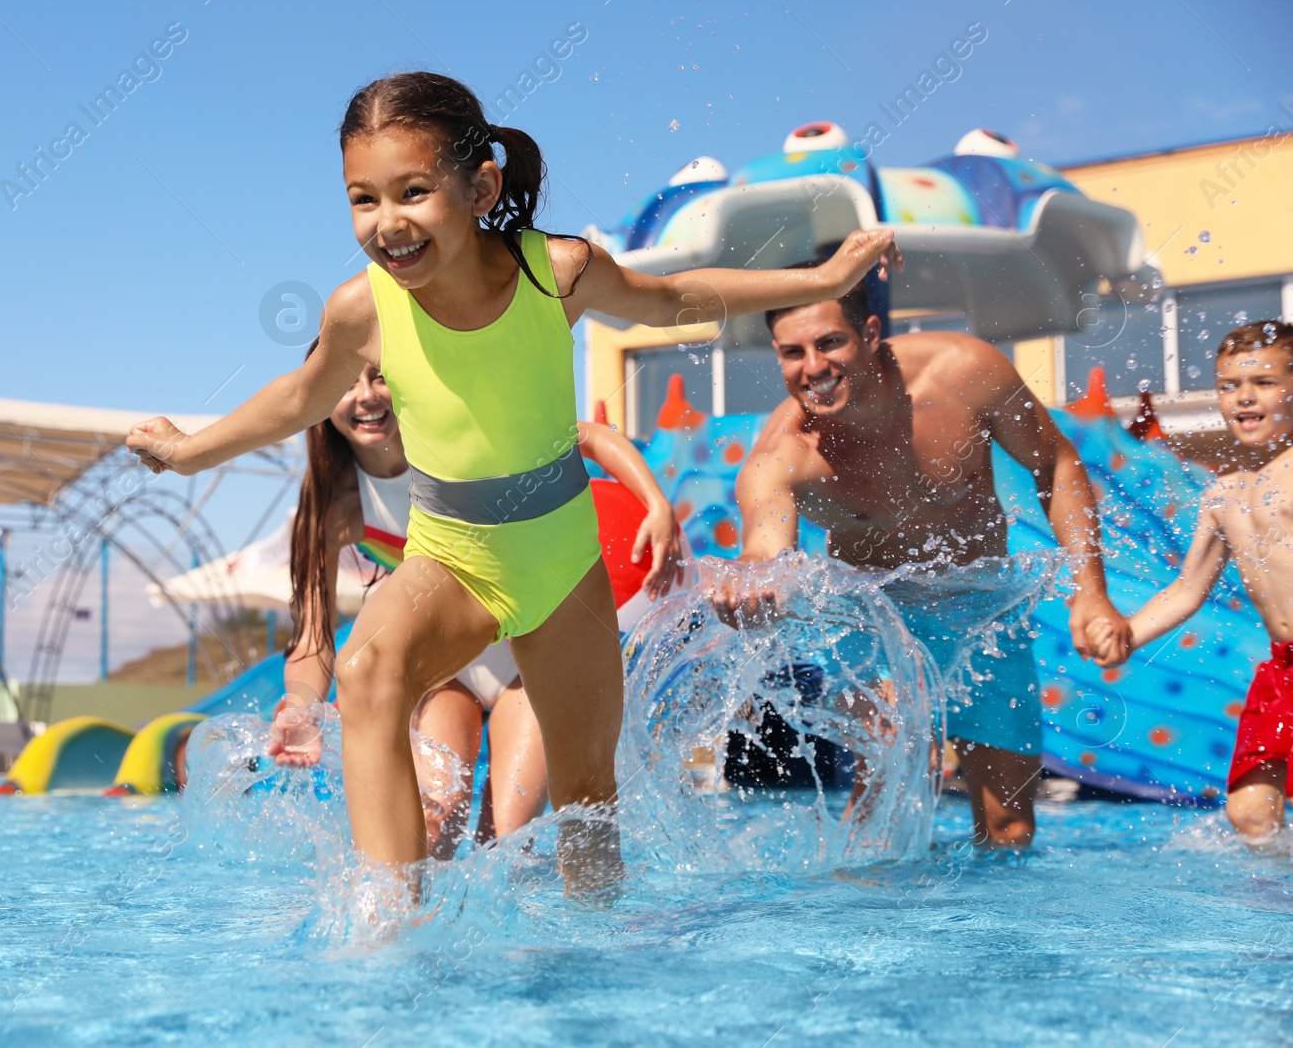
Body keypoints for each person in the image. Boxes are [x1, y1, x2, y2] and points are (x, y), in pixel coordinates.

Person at [126, 70, 896, 896]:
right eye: (363, 199)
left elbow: (672, 298)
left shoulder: (552, 273)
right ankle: (391, 924)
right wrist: (193, 448)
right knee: (367, 672)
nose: (387, 223)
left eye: (412, 192)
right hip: (451, 558)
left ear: (481, 184)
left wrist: (818, 283)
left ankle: (589, 980)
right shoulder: (364, 310)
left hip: (562, 571)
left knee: (588, 831)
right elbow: (297, 396)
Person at [705, 262, 1130, 849]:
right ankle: (871, 934)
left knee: (1009, 827)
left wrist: (1092, 590)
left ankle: (992, 938)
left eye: (830, 342)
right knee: (885, 800)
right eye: (792, 353)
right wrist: (751, 585)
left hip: (984, 610)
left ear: (872, 333)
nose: (813, 368)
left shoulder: (964, 373)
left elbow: (1053, 463)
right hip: (876, 621)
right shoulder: (783, 456)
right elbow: (766, 548)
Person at [265, 355, 688, 859]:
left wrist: (657, 505)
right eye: (343, 383)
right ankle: (422, 938)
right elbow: (313, 640)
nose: (366, 396)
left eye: (380, 375)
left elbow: (588, 438)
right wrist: (301, 706)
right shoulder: (333, 509)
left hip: (527, 658)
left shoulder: (461, 439)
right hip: (446, 673)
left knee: (508, 841)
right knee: (433, 827)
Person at [1089, 321, 1293, 840]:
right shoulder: (1225, 495)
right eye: (1229, 386)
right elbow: (1186, 589)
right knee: (1249, 812)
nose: (1244, 398)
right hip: (1282, 671)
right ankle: (1272, 912)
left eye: (1264, 383)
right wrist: (1129, 634)